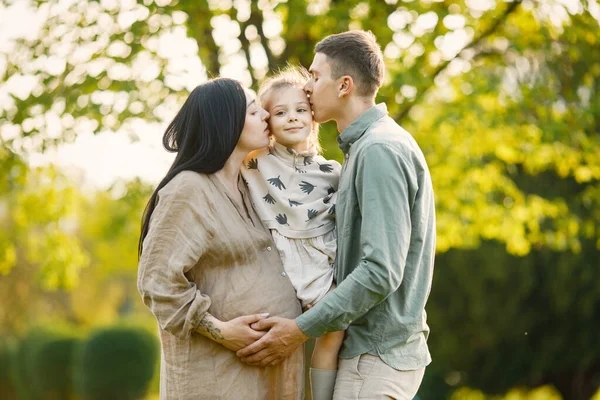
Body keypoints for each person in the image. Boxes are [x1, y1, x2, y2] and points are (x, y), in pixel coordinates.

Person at [237, 30, 436, 400]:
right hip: (364, 354)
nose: (307, 88)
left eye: (315, 76)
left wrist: (299, 329)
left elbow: (381, 272)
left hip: (374, 358)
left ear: (344, 85)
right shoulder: (363, 149)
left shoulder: (379, 150)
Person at [137, 78, 304, 400]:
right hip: (219, 376)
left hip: (272, 374)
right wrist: (223, 332)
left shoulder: (254, 186)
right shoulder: (189, 189)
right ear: (225, 122)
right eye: (254, 111)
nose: (267, 117)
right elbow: (157, 281)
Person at [240, 67, 344, 400]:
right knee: (273, 336)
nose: (292, 118)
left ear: (313, 117)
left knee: (333, 331)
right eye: (280, 112)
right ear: (266, 121)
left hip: (320, 256)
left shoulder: (331, 170)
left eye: (300, 110)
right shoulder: (255, 162)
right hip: (280, 255)